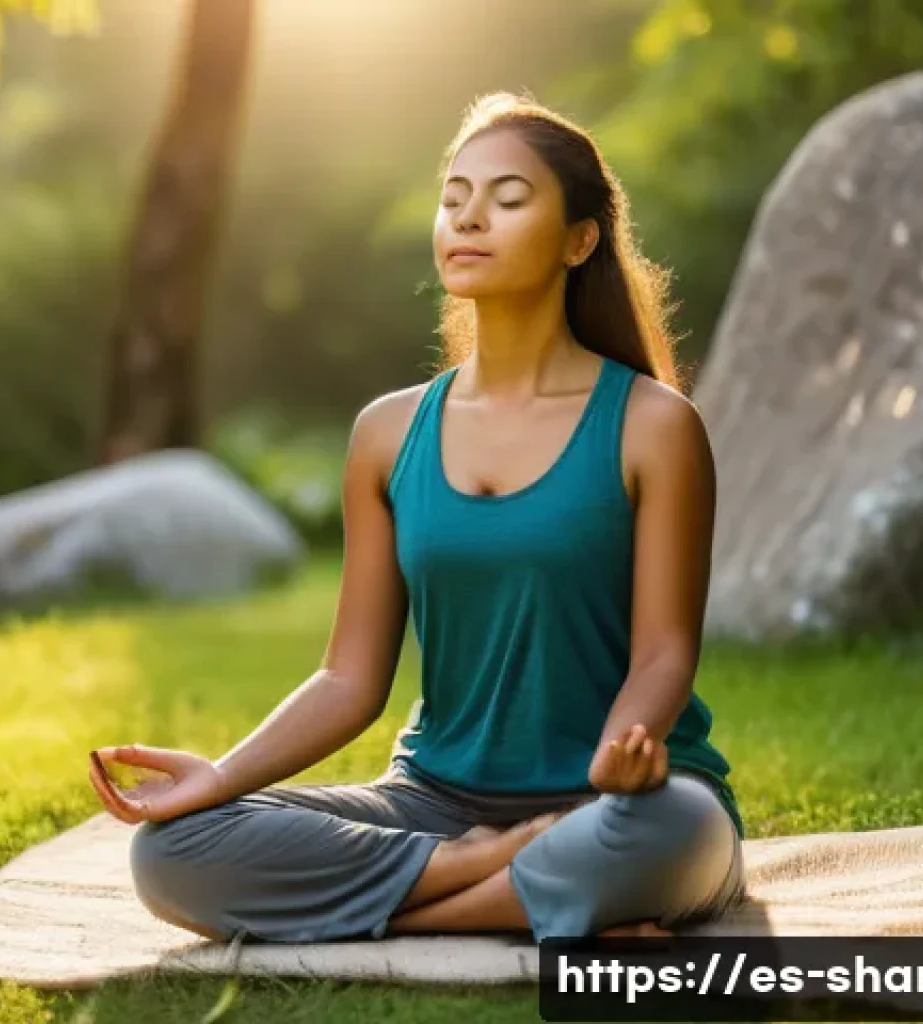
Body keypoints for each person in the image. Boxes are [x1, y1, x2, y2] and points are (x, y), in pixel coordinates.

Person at [88, 91, 747, 946]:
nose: (469, 218)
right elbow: (348, 680)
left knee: (667, 837)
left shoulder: (653, 425)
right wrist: (220, 777)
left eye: (508, 200)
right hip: (437, 805)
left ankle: (457, 895)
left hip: (621, 801)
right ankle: (509, 883)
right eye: (454, 198)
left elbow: (665, 650)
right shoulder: (387, 433)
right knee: (175, 852)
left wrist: (626, 745)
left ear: (580, 240)